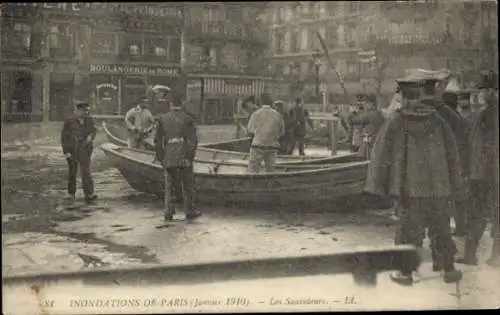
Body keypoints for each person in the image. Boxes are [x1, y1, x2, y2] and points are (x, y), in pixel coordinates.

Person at [365, 78, 464, 285]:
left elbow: (381, 155)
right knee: (441, 229)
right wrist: (454, 185)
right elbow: (452, 153)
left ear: (403, 97)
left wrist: (378, 186)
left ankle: (406, 273)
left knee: (408, 231)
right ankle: (448, 270)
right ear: (418, 96)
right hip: (439, 188)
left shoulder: (396, 120)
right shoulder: (438, 120)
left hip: (408, 189)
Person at [456, 72, 499, 267]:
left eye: (482, 90)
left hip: (487, 174)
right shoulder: (483, 113)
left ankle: (492, 256)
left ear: (492, 91)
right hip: (481, 173)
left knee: (489, 213)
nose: (479, 94)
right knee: (478, 213)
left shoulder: (490, 114)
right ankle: (472, 254)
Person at [154, 94, 201, 221]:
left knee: (169, 186)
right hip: (184, 156)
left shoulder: (162, 119)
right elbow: (193, 141)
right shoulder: (188, 119)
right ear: (183, 103)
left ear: (170, 104)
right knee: (187, 185)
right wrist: (190, 157)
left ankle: (168, 212)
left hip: (169, 155)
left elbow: (157, 141)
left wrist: (161, 157)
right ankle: (190, 210)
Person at [436, 90, 471, 237]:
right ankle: (461, 226)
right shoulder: (458, 117)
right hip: (461, 160)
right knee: (458, 196)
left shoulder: (450, 117)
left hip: (456, 161)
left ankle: (460, 227)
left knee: (455, 196)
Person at [60, 102, 98, 202]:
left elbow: (93, 130)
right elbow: (64, 137)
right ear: (78, 110)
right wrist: (66, 151)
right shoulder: (69, 121)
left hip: (85, 149)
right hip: (73, 149)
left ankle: (89, 194)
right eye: (84, 110)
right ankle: (71, 193)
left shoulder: (89, 120)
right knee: (72, 171)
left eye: (88, 110)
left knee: (86, 171)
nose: (87, 112)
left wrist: (91, 136)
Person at [246, 93, 285, 173]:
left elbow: (250, 129)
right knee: (270, 171)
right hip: (272, 146)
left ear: (260, 102)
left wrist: (259, 132)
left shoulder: (256, 114)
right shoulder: (278, 115)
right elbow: (282, 131)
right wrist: (274, 136)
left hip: (257, 146)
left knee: (252, 171)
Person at [346, 95, 385, 159]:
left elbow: (352, 121)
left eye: (366, 103)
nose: (364, 105)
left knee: (365, 161)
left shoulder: (369, 115)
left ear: (371, 104)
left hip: (368, 145)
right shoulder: (380, 114)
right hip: (377, 145)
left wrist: (352, 112)